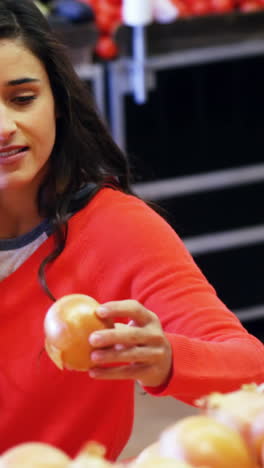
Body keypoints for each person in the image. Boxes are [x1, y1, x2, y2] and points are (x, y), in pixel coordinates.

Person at [0, 0, 263, 461]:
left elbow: (251, 368)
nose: (5, 126)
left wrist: (166, 359)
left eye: (23, 99)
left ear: (58, 102)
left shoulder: (114, 230)